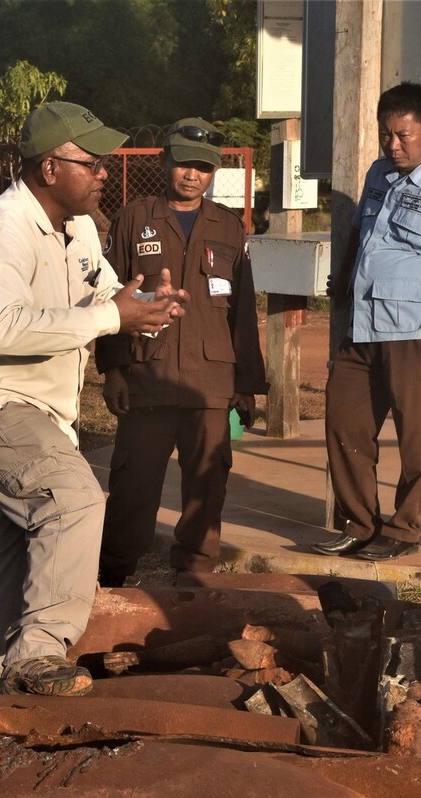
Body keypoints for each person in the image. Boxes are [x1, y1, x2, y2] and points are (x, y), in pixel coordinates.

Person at [0, 102, 186, 696]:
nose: (103, 173)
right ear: (50, 168)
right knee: (73, 500)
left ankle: (2, 672)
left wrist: (146, 307)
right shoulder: (4, 227)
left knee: (13, 544)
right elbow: (4, 328)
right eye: (91, 162)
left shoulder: (79, 226)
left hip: (36, 409)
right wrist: (110, 314)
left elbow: (107, 294)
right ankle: (39, 654)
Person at [95, 117, 267, 585]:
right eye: (184, 163)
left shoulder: (230, 227)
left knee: (206, 489)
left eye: (203, 167)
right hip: (146, 378)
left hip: (211, 383)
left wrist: (247, 386)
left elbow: (243, 311)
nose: (192, 175)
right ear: (165, 160)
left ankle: (193, 584)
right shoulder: (134, 218)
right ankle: (111, 580)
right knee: (133, 489)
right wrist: (113, 369)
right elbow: (110, 299)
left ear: (213, 173)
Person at [315, 81, 421, 561]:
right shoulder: (379, 173)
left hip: (414, 330)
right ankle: (360, 523)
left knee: (418, 436)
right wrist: (341, 278)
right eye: (386, 134)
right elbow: (362, 229)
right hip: (361, 322)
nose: (393, 145)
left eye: (404, 135)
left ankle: (404, 527)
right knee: (345, 421)